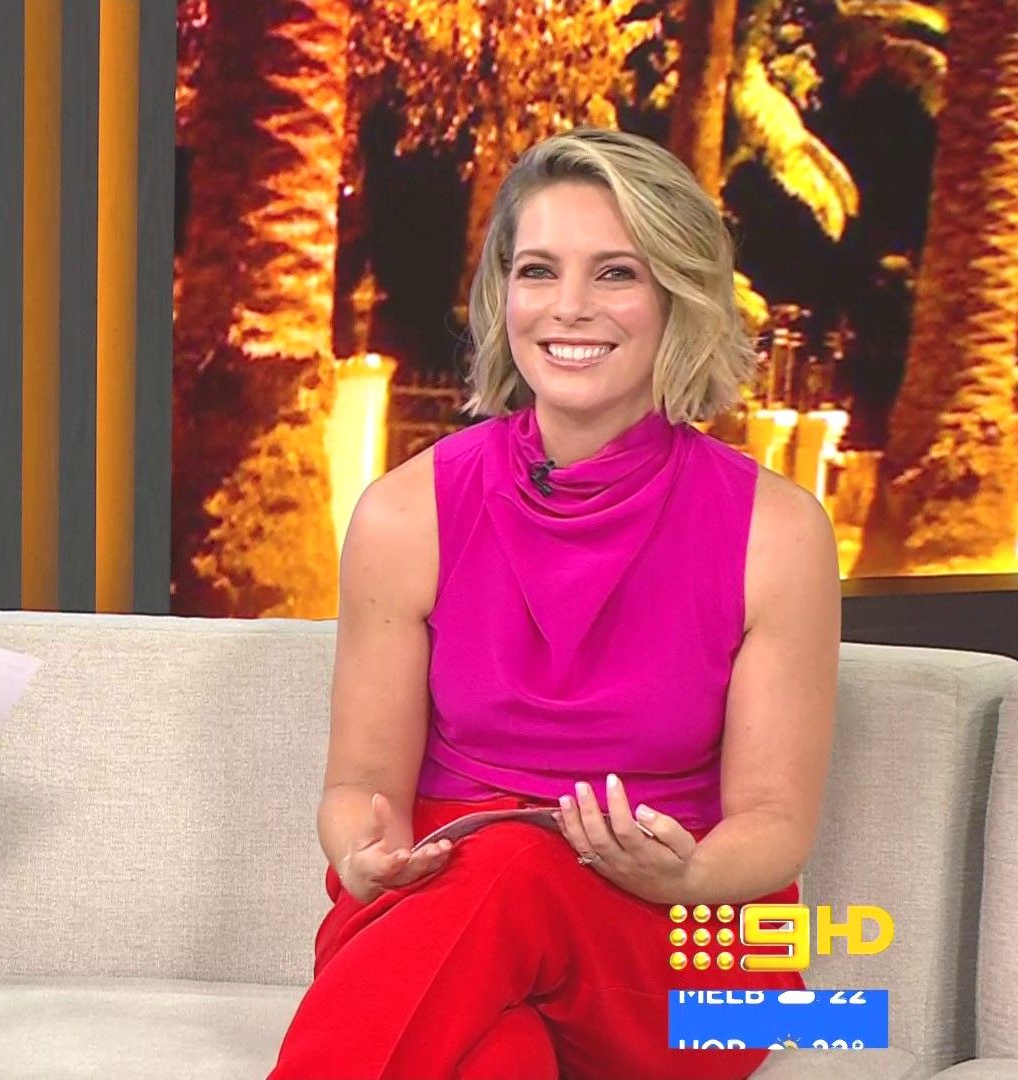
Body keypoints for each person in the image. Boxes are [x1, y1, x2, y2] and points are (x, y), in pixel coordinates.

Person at [270, 128, 839, 1079]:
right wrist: (363, 850)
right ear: (503, 295)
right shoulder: (406, 514)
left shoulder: (777, 533)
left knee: (515, 870)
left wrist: (688, 875)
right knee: (495, 1052)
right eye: (538, 270)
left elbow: (776, 820)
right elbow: (359, 784)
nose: (569, 306)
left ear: (679, 295)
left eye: (616, 273)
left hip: (688, 957)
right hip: (440, 923)